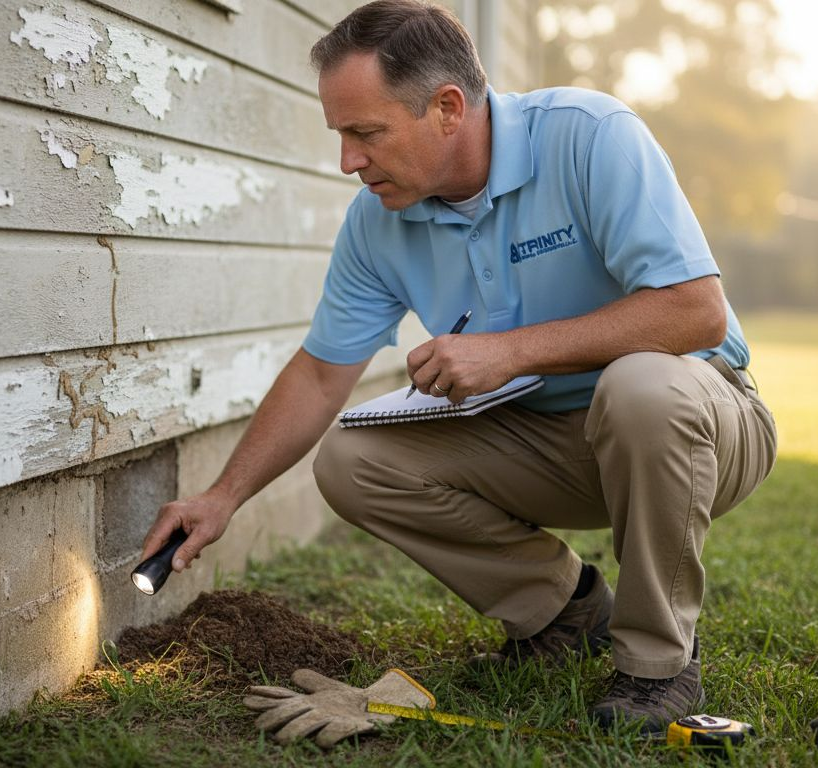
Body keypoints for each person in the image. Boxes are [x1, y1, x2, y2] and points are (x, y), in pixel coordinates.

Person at [140, 0, 777, 734]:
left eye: (365, 132)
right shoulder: (378, 220)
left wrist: (507, 351)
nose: (348, 160)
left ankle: (657, 666)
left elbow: (695, 313)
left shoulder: (590, 136)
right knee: (351, 460)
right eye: (340, 135)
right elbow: (321, 373)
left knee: (641, 386)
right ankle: (563, 612)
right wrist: (222, 496)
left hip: (696, 425)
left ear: (447, 108)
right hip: (551, 442)